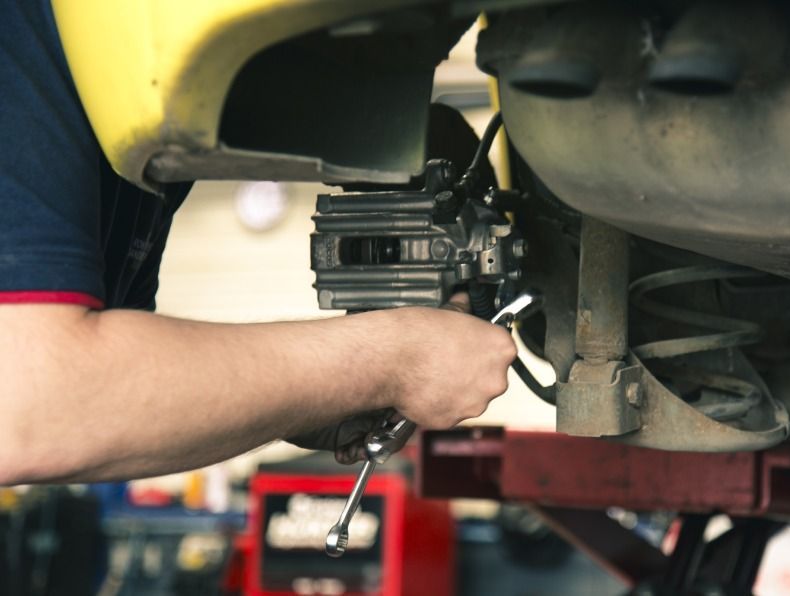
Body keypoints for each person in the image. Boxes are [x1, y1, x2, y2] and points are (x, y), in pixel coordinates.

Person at [0, 1, 517, 484]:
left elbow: (115, 410)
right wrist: (390, 360)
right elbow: (34, 407)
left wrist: (303, 400)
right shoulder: (21, 29)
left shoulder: (135, 100)